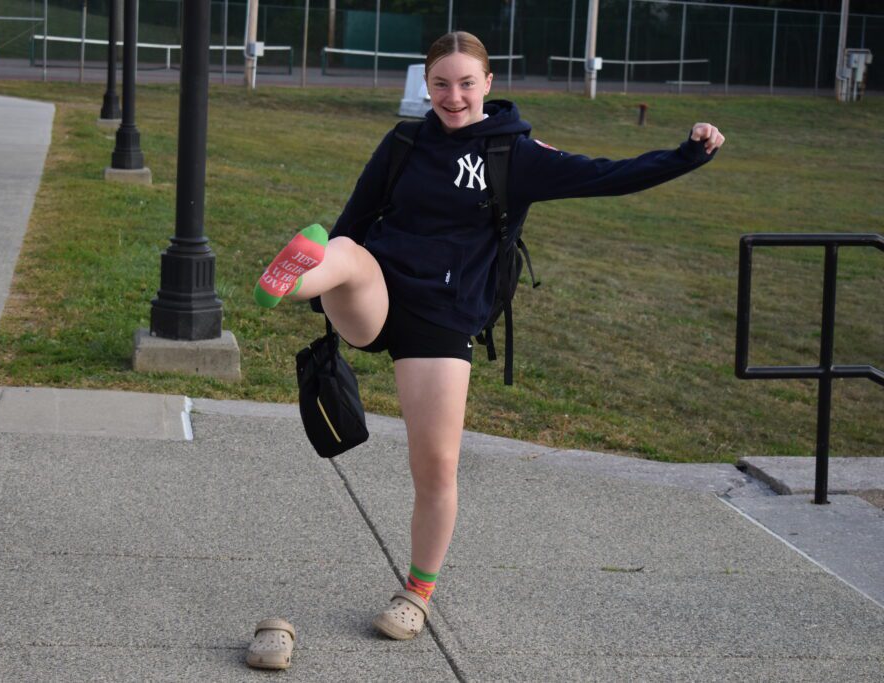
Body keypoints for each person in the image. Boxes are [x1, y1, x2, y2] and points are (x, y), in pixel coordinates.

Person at [253, 31, 724, 641]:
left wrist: (688, 154)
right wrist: (325, 287)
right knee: (343, 248)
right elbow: (354, 219)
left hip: (444, 316)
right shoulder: (403, 141)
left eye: (465, 84)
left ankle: (415, 595)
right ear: (427, 85)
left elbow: (607, 176)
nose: (452, 97)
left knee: (436, 465)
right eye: (441, 84)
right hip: (374, 292)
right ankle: (291, 282)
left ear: (489, 85)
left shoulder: (514, 155)